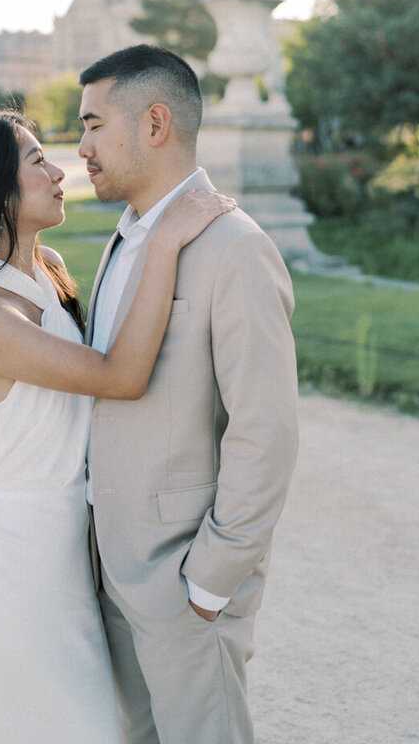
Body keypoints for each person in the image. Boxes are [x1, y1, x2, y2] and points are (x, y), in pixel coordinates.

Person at [0, 109, 234, 744]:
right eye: (36, 161)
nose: (60, 171)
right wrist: (164, 242)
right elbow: (118, 376)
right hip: (6, 560)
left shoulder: (49, 268)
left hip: (71, 550)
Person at [78, 45, 299, 744]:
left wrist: (209, 582)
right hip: (112, 566)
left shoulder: (236, 247)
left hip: (183, 581)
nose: (79, 147)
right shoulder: (125, 237)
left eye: (91, 124)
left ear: (154, 124)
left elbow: (265, 429)